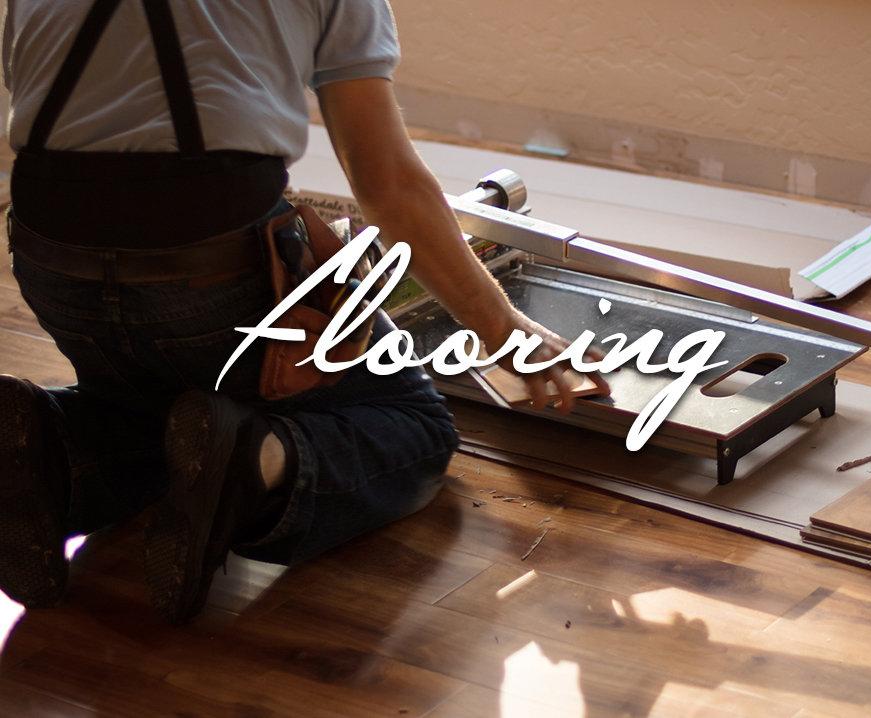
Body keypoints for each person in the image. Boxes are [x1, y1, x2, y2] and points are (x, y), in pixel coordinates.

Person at [0, 0, 606, 623]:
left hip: (52, 266)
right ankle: (254, 458)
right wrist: (508, 331)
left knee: (150, 403)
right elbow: (388, 185)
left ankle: (52, 443)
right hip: (209, 272)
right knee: (411, 425)